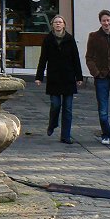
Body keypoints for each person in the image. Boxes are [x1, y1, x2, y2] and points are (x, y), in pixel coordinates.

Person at [34, 14, 83, 144]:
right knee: (55, 105)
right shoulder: (48, 40)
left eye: (60, 22)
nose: (58, 24)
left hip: (68, 78)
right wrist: (39, 76)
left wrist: (79, 76)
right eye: (56, 22)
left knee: (67, 108)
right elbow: (43, 58)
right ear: (52, 25)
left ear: (64, 25)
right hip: (54, 78)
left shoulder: (70, 39)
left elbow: (76, 59)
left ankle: (65, 136)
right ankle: (52, 124)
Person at [85, 9, 110, 145]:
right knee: (103, 109)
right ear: (100, 22)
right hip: (102, 77)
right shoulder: (94, 37)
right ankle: (106, 134)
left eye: (108, 20)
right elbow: (89, 57)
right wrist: (96, 73)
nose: (106, 23)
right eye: (103, 20)